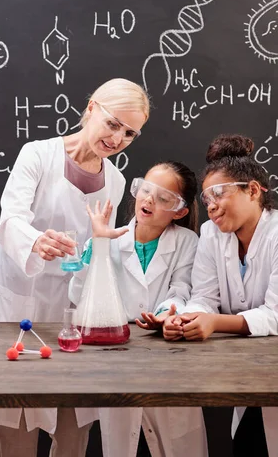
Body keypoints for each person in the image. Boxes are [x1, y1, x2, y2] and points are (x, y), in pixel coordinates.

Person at [0, 78, 149, 457]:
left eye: (130, 133)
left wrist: (98, 247)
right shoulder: (37, 154)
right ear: (91, 109)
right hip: (18, 300)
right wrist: (36, 241)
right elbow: (10, 219)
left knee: (72, 428)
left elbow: (96, 250)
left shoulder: (114, 183)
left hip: (72, 308)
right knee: (18, 427)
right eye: (113, 124)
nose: (117, 139)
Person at [69, 161, 208, 457]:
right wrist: (99, 244)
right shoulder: (109, 237)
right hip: (118, 356)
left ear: (180, 211)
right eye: (146, 190)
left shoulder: (187, 242)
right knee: (121, 441)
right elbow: (80, 293)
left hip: (168, 353)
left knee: (179, 441)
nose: (148, 200)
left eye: (162, 199)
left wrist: (166, 312)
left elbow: (182, 289)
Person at [163, 133, 277, 456]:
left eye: (218, 194)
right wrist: (185, 318)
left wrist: (215, 323)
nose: (210, 206)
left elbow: (275, 314)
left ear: (253, 191)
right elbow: (203, 296)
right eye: (206, 198)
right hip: (240, 371)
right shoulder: (212, 235)